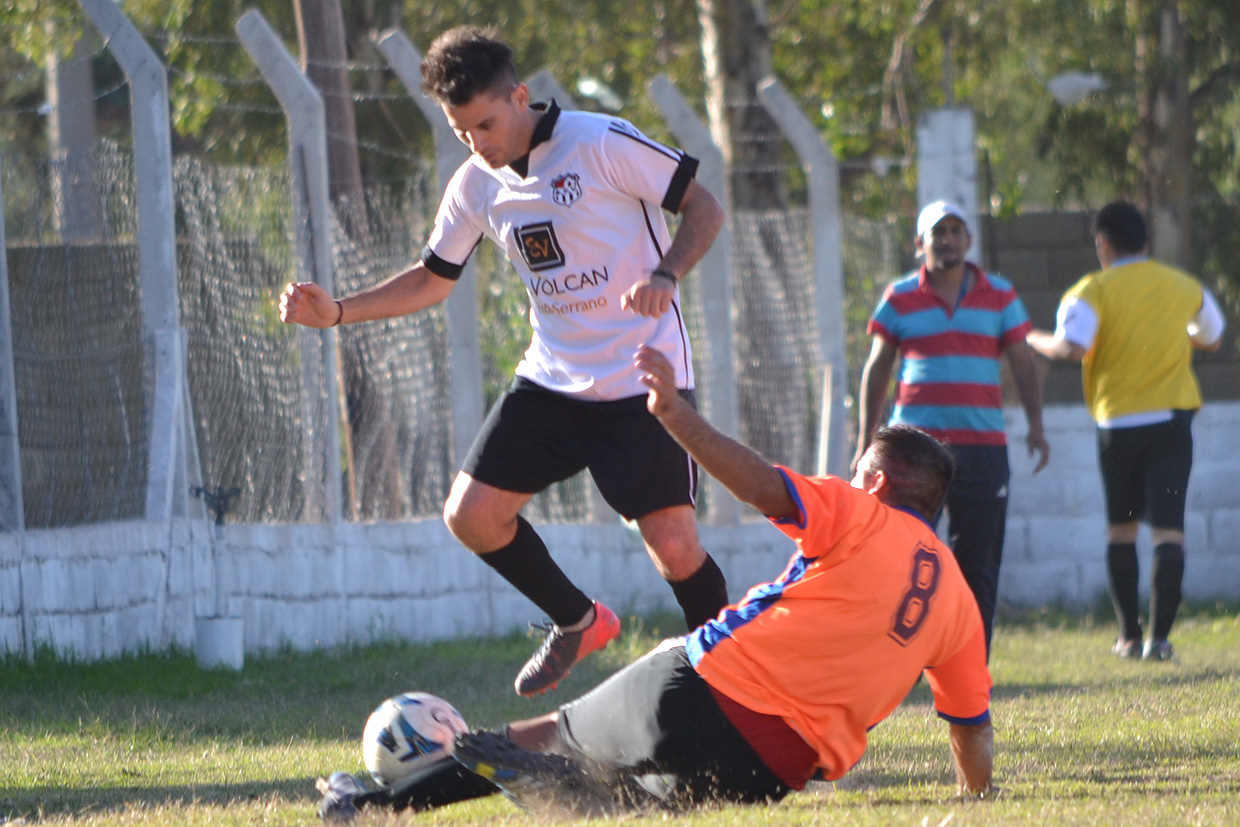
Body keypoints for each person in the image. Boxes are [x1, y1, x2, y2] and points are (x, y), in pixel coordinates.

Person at [316, 345, 996, 820]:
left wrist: (676, 417)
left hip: (699, 689)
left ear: (876, 481)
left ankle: (365, 807)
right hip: (773, 771)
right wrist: (977, 798)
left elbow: (763, 484)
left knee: (543, 733)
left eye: (856, 473)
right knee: (631, 792)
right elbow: (970, 727)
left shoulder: (861, 509)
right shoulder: (960, 604)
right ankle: (598, 790)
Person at [279, 26, 729, 697]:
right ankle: (577, 620)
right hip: (551, 379)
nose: (478, 143)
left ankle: (736, 686)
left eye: (486, 124)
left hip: (642, 376)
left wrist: (666, 274)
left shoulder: (600, 141)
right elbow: (433, 277)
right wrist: (337, 311)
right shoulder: (475, 185)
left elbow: (704, 205)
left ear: (520, 96)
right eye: (462, 132)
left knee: (674, 547)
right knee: (471, 515)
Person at [1026, 200, 1225, 662]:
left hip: (1119, 423)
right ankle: (1161, 640)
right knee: (1170, 532)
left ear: (1104, 244)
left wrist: (1032, 338)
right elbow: (1212, 336)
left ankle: (1129, 638)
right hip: (1174, 420)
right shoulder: (1182, 286)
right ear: (1146, 242)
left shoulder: (1092, 289)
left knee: (1121, 530)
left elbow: (1073, 348)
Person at [853, 200, 1050, 655]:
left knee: (977, 563)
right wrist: (867, 442)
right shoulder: (899, 297)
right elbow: (877, 368)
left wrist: (1036, 426)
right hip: (912, 452)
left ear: (969, 240)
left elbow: (1024, 362)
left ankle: (970, 666)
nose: (948, 239)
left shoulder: (1000, 294)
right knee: (900, 559)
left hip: (982, 449)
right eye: (938, 232)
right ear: (919, 243)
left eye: (956, 230)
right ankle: (896, 662)